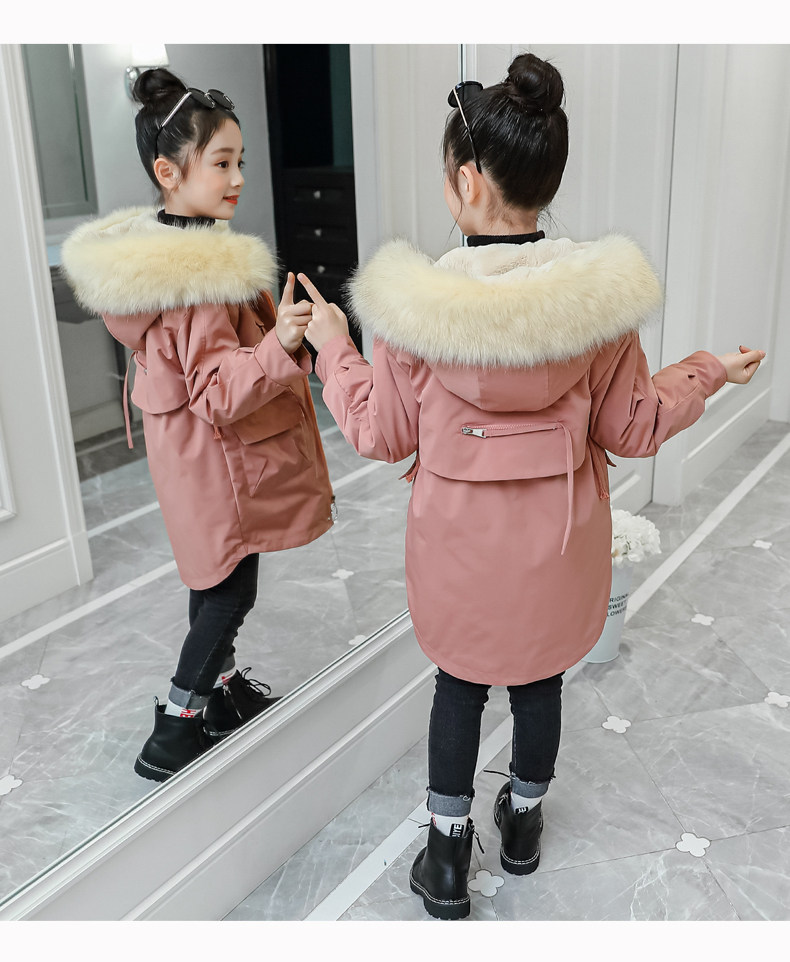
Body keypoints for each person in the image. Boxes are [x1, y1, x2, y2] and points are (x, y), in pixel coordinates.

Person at [296, 52, 765, 920]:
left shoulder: (412, 310)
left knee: (459, 687)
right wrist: (706, 369)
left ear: (467, 182)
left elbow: (380, 432)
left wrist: (333, 346)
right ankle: (521, 824)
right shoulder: (596, 307)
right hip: (557, 550)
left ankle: (445, 857)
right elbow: (633, 426)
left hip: (456, 553)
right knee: (540, 682)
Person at [62, 69, 334, 782]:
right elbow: (217, 391)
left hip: (189, 458)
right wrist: (281, 343)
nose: (238, 178)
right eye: (221, 163)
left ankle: (220, 692)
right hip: (222, 461)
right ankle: (177, 724)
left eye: (240, 161)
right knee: (230, 589)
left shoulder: (152, 264)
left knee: (212, 574)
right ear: (168, 172)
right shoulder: (203, 278)